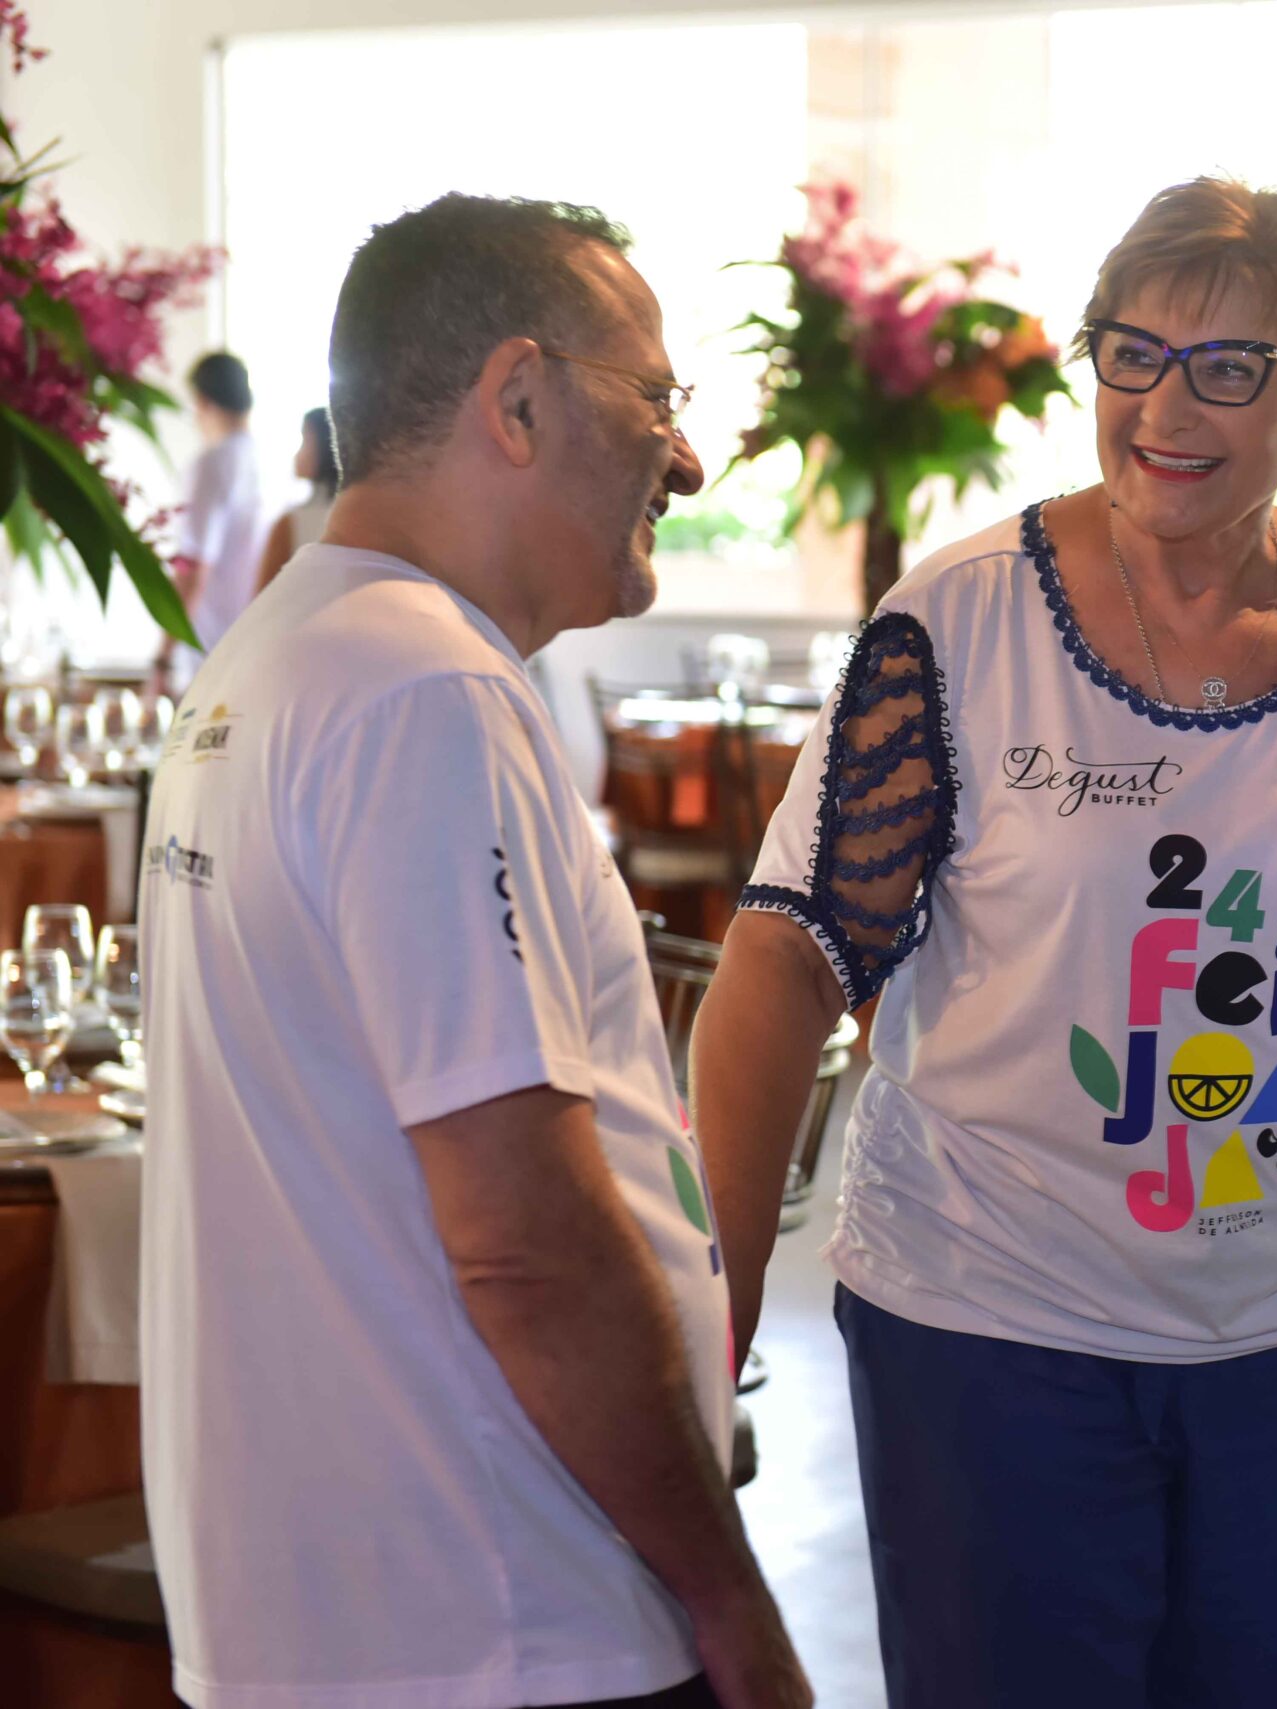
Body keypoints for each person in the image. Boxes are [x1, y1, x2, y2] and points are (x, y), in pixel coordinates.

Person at [690, 176, 1277, 1709]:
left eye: (1230, 367)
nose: (1165, 408)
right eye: (1134, 352)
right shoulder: (960, 622)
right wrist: (712, 1309)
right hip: (984, 1324)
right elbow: (791, 956)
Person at [140, 193, 808, 1709]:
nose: (687, 458)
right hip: (497, 1621)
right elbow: (527, 1241)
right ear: (517, 400)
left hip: (353, 1613)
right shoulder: (422, 691)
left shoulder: (277, 654)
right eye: (656, 397)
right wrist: (729, 1598)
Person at [159, 350, 262, 685]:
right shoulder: (269, 464)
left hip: (211, 652)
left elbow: (192, 567)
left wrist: (162, 657)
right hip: (259, 647)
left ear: (202, 402)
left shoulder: (213, 464)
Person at [255, 405, 340, 593]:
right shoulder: (363, 521)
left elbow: (261, 599)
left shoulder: (292, 523)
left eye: (304, 441)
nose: (297, 454)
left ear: (326, 446)